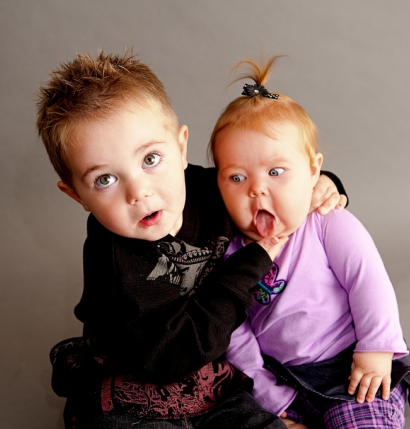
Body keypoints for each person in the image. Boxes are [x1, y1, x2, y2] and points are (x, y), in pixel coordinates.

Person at [36, 49, 347, 429]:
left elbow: (266, 183)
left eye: (151, 159)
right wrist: (250, 264)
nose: (139, 192)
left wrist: (322, 185)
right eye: (105, 179)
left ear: (181, 147)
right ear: (76, 195)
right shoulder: (115, 258)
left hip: (214, 379)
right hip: (136, 385)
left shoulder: (206, 188)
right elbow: (169, 359)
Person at [209, 57, 410, 429]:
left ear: (313, 170)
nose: (257, 189)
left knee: (360, 418)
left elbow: (368, 281)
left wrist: (376, 348)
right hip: (282, 379)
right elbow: (235, 333)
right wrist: (270, 394)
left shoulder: (326, 222)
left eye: (276, 172)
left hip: (351, 367)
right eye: (237, 178)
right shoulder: (227, 254)